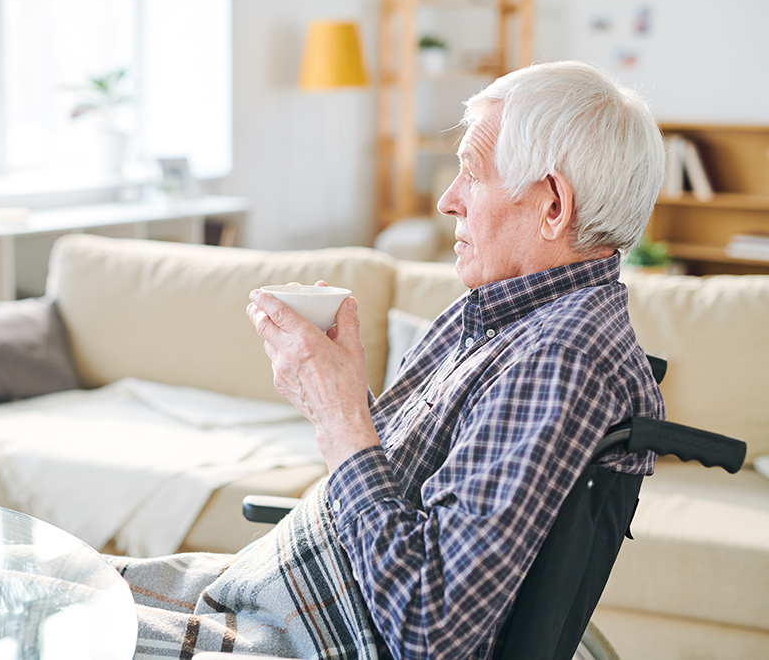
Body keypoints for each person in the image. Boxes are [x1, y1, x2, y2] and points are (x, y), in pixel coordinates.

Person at [113, 61, 666, 660]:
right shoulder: (499, 314)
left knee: (30, 617)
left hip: (308, 636)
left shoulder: (558, 362)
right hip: (281, 590)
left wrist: (338, 417)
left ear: (552, 204)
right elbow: (398, 483)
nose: (447, 200)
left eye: (472, 175)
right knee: (32, 573)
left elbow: (430, 631)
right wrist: (327, 391)